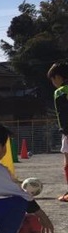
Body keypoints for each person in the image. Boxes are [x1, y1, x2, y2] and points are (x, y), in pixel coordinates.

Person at [48, 61, 68, 202]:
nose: (53, 82)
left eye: (53, 79)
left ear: (59, 77)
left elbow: (63, 113)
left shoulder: (60, 91)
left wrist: (65, 130)